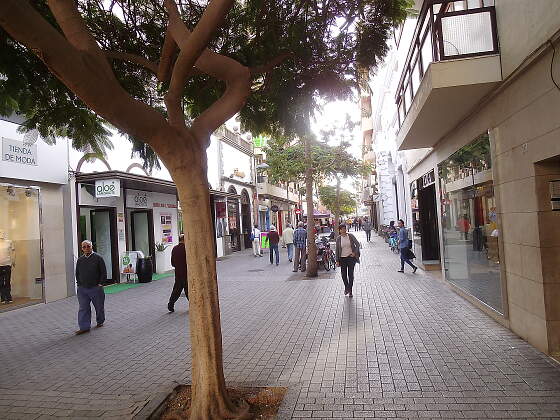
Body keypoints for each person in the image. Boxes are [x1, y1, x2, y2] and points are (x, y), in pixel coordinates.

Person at [75, 240, 106, 335]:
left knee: (99, 307)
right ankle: (84, 327)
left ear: (92, 247)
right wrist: (79, 284)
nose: (86, 248)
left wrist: (100, 283)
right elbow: (77, 273)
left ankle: (100, 321)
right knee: (83, 308)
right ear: (82, 249)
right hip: (82, 289)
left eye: (88, 246)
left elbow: (103, 272)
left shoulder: (98, 258)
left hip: (95, 288)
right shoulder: (80, 260)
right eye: (84, 247)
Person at [335, 224, 361, 297]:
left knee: (350, 274)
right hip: (342, 259)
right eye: (342, 229)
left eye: (345, 228)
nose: (344, 230)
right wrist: (337, 260)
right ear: (339, 230)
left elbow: (358, 244)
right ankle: (347, 287)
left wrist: (354, 253)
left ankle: (350, 290)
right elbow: (337, 250)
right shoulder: (338, 239)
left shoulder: (350, 236)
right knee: (343, 275)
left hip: (350, 258)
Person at [168, 234, 188, 312]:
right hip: (186, 273)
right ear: (184, 240)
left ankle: (171, 303)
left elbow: (172, 263)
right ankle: (194, 305)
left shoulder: (175, 249)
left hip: (178, 273)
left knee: (176, 289)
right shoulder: (186, 249)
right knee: (188, 289)